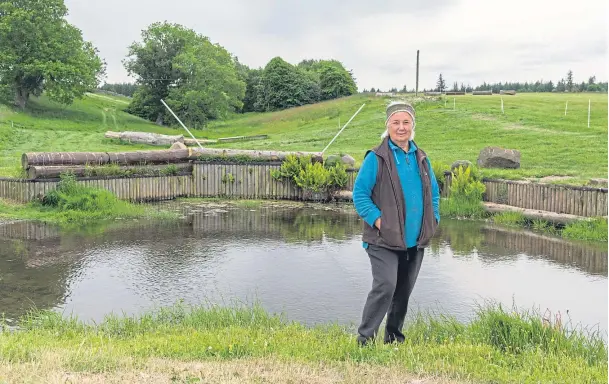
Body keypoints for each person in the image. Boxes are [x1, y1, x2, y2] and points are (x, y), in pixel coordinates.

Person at [352, 100, 440, 346]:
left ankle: (394, 340)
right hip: (383, 239)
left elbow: (433, 192)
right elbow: (360, 195)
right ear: (387, 125)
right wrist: (379, 221)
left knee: (403, 291)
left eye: (406, 122)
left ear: (413, 125)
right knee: (386, 286)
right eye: (396, 122)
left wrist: (433, 219)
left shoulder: (422, 158)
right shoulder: (377, 158)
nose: (401, 127)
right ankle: (365, 340)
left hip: (415, 240)